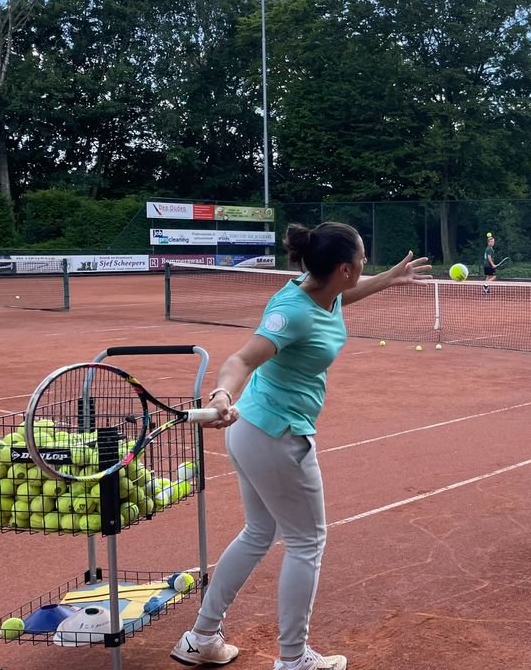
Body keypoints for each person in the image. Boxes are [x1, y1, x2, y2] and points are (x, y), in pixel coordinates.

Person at [171, 222, 430, 670]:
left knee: (258, 533)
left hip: (252, 430)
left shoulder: (321, 292)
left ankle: (202, 637)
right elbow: (241, 359)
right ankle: (293, 659)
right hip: (276, 436)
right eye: (364, 260)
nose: (367, 263)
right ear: (345, 268)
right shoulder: (292, 312)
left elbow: (339, 298)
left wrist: (387, 279)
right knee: (307, 542)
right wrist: (221, 395)